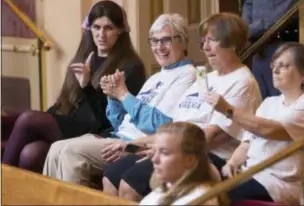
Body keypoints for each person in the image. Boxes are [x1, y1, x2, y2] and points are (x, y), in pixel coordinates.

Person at [102, 12, 262, 202]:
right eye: (204, 41)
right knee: (112, 173)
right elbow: (176, 129)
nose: (206, 48)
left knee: (130, 182)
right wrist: (134, 144)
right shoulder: (206, 77)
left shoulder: (242, 82)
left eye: (213, 41)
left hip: (209, 157)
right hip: (179, 148)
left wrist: (164, 150)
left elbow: (212, 137)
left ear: (233, 43)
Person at [43, 13, 197, 187]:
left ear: (183, 42)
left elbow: (161, 125)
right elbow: (121, 123)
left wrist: (124, 94)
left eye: (166, 40)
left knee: (70, 152)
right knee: (56, 148)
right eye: (154, 41)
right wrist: (114, 97)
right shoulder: (156, 77)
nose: (159, 47)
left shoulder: (188, 75)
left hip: (135, 144)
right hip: (117, 135)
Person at [2, 0, 146, 173]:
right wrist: (45, 118)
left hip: (98, 130)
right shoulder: (84, 56)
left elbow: (108, 118)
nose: (101, 34)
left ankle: (3, 179)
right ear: (89, 29)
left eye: (109, 28)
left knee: (28, 119)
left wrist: (86, 85)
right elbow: (65, 101)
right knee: (31, 153)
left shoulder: (131, 66)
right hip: (73, 122)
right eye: (96, 27)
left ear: (120, 31)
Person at [203, 42, 304, 205]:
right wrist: (231, 163)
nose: (275, 70)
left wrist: (227, 109)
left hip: (279, 185)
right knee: (194, 156)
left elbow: (267, 129)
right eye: (274, 64)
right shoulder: (270, 103)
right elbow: (247, 143)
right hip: (250, 174)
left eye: (283, 66)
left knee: (214, 197)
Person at [139, 122, 226, 205]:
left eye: (165, 153)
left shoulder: (199, 199)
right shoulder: (155, 195)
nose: (154, 159)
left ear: (190, 159)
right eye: (154, 152)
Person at [242, 0, 304, 99]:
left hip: (283, 47)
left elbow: (295, 0)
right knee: (261, 103)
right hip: (258, 49)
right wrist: (244, 29)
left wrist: (255, 28)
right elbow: (248, 3)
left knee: (283, 101)